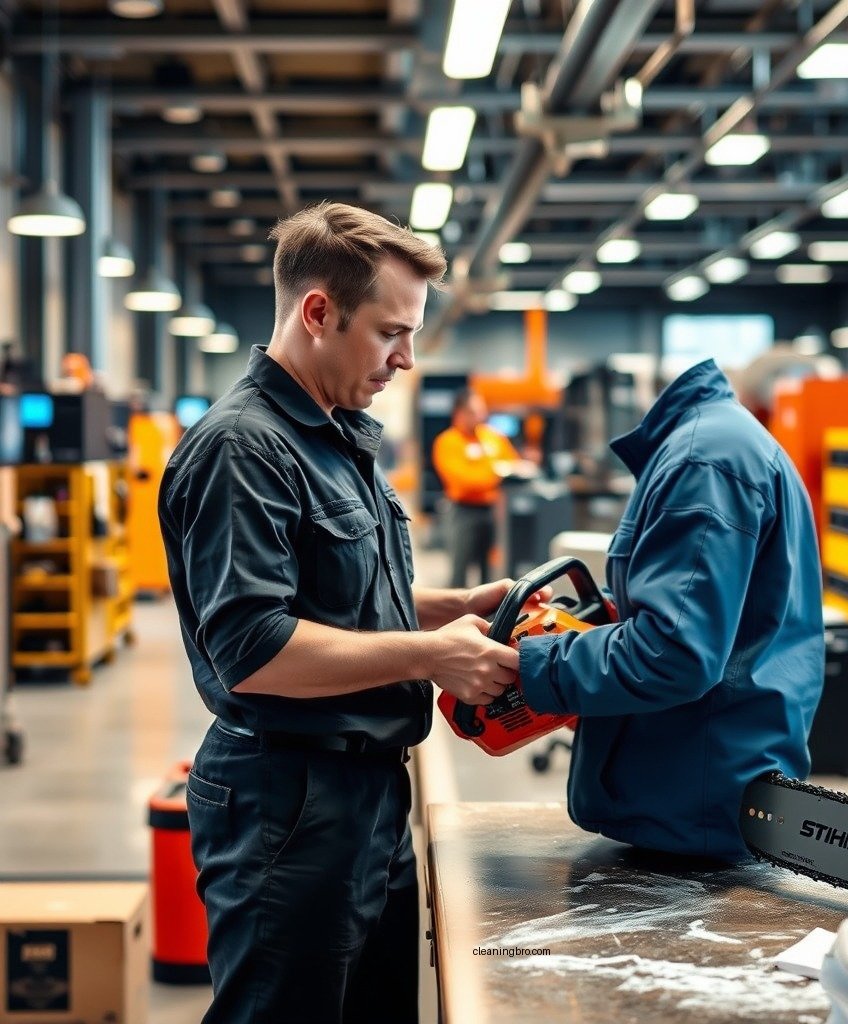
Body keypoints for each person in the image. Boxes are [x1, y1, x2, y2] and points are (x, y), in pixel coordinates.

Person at [158, 202, 533, 1024]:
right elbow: (255, 648)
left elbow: (340, 598)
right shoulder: (244, 449)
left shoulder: (334, 434)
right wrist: (430, 655)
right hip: (288, 807)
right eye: (391, 332)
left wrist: (454, 607)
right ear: (319, 312)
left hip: (365, 797)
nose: (406, 358)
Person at [517, 357, 825, 863]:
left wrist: (534, 666)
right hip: (697, 789)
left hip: (698, 800)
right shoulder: (706, 445)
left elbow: (673, 651)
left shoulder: (704, 461)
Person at [432, 389, 534, 587]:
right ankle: (457, 605)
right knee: (460, 569)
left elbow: (513, 464)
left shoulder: (492, 438)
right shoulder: (448, 442)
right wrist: (495, 475)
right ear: (459, 413)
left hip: (492, 510)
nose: (480, 416)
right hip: (463, 511)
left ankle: (487, 606)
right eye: (473, 412)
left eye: (482, 411)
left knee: (490, 569)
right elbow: (463, 481)